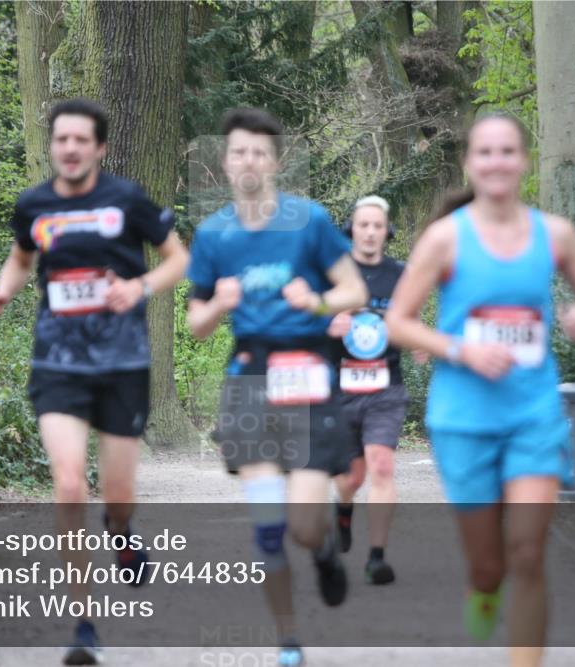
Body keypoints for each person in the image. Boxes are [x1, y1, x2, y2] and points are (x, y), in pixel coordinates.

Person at [385, 112, 575, 667]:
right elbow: (397, 321)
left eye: (507, 151)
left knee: (528, 552)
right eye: (485, 152)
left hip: (533, 415)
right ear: (470, 163)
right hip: (463, 419)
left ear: (524, 161)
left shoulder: (554, 234)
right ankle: (483, 587)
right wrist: (461, 349)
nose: (496, 162)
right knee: (490, 565)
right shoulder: (445, 238)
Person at [0, 98, 189, 666]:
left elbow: (176, 259)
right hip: (58, 361)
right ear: (52, 146)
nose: (69, 148)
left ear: (99, 148)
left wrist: (139, 288)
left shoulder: (126, 199)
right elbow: (22, 262)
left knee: (117, 498)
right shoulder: (34, 205)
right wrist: (1, 292)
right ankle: (84, 624)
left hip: (121, 363)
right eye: (60, 139)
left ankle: (120, 531)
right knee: (70, 484)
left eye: (80, 140)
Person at [187, 107, 368, 667]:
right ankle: (288, 640)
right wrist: (216, 303)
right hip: (250, 380)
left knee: (304, 525)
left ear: (276, 161)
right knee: (268, 529)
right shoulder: (213, 233)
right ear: (224, 160)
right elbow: (196, 324)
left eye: (260, 152)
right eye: (239, 150)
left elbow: (354, 292)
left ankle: (324, 555)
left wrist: (313, 301)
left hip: (309, 375)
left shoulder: (308, 221)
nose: (249, 160)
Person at [327, 195, 407, 585]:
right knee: (350, 479)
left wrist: (419, 341)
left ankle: (376, 556)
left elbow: (411, 323)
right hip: (340, 388)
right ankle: (342, 512)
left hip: (385, 387)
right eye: (364, 225)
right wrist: (328, 326)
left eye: (378, 226)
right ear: (352, 230)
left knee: (381, 465)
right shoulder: (334, 275)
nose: (371, 232)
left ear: (387, 231)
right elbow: (307, 322)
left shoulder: (401, 275)